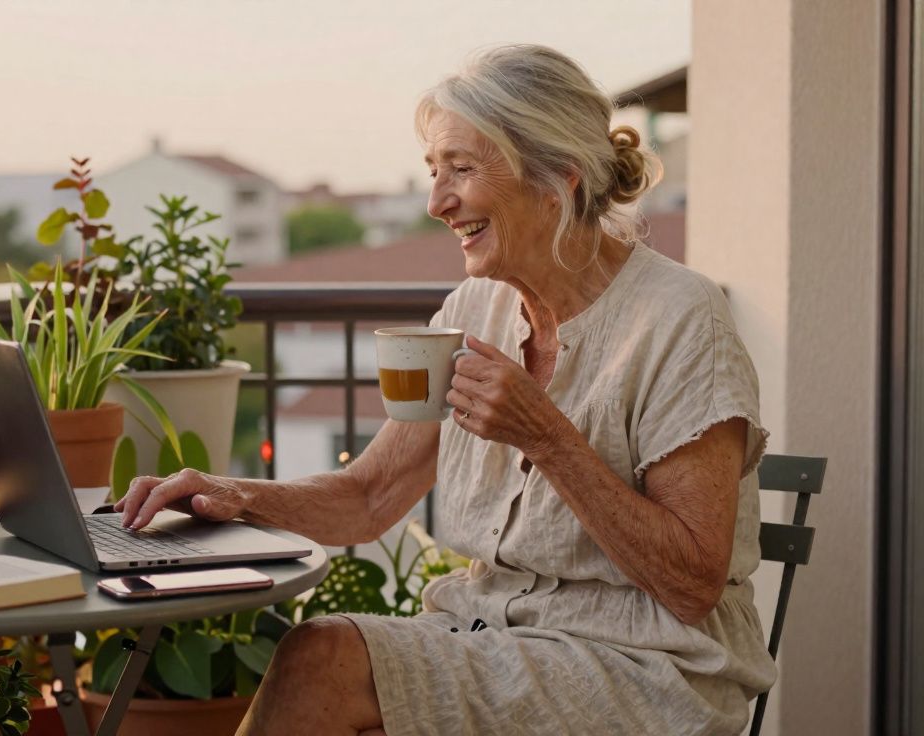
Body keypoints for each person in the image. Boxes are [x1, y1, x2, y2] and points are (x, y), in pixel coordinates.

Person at [115, 44, 776, 736]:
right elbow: (370, 495)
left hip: (645, 666)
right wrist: (236, 495)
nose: (437, 202)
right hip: (493, 636)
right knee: (327, 662)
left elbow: (692, 585)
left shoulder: (680, 317)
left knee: (323, 657)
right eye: (435, 172)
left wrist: (545, 435)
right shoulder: (472, 312)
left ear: (558, 178)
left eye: (461, 169)